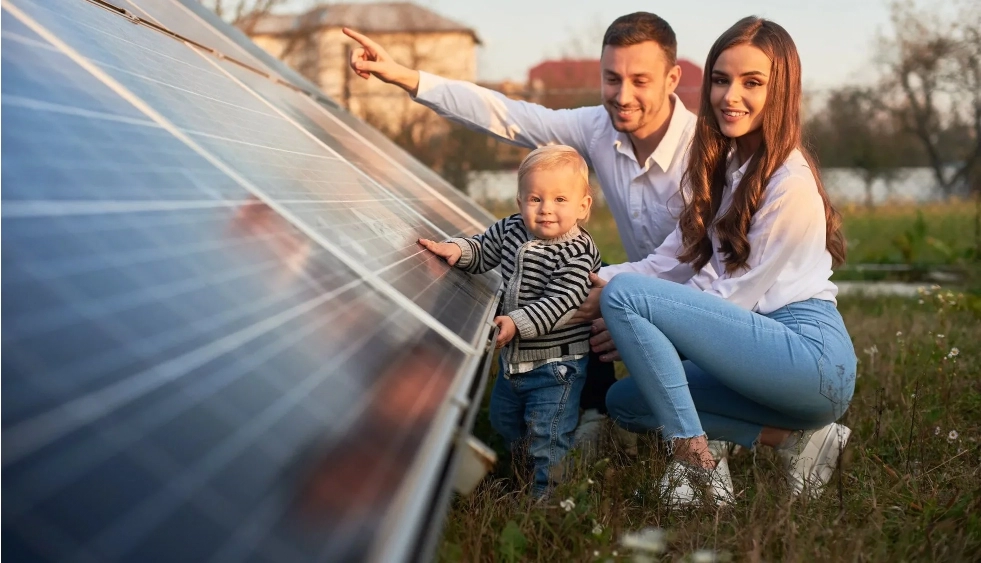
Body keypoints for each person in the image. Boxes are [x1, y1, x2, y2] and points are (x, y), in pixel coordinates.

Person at [344, 12, 698, 446]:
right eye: (612, 78)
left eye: (640, 80)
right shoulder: (597, 128)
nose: (623, 95)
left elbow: (713, 267)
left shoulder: (705, 151)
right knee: (581, 271)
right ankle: (594, 410)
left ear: (672, 78)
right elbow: (507, 115)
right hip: (635, 283)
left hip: (707, 301)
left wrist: (623, 299)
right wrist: (405, 77)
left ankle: (706, 424)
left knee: (603, 283)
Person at [587, 16, 857, 505]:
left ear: (782, 91)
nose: (730, 96)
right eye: (720, 79)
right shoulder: (728, 169)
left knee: (628, 302)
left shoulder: (789, 184)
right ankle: (801, 441)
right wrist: (585, 284)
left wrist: (629, 315)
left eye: (752, 82)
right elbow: (664, 264)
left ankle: (698, 466)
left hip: (808, 358)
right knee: (626, 402)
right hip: (754, 349)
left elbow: (729, 301)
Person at [418, 145, 602, 496]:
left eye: (560, 199)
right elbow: (484, 248)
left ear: (583, 206)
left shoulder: (578, 253)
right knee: (505, 419)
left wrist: (516, 322)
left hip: (556, 367)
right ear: (519, 202)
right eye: (535, 199)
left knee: (546, 434)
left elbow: (562, 301)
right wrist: (458, 250)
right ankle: (523, 468)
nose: (546, 209)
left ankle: (547, 497)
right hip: (514, 362)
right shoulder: (512, 228)